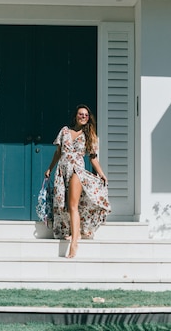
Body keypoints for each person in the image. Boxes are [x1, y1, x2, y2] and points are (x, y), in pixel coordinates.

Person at [44, 104, 111, 258]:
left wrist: (101, 174)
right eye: (81, 114)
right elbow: (58, 153)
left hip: (77, 170)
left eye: (86, 115)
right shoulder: (64, 131)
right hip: (62, 170)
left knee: (73, 205)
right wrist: (50, 168)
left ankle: (74, 243)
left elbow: (93, 158)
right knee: (64, 205)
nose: (83, 117)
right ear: (76, 116)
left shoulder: (89, 135)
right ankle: (75, 233)